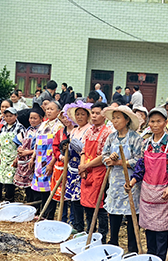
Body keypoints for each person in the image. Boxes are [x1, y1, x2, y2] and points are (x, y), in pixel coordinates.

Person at [126, 107, 168, 261]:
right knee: (149, 230)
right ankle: (151, 259)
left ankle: (161, 260)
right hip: (147, 192)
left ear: (165, 123)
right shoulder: (146, 143)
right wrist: (132, 182)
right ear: (148, 123)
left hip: (165, 192)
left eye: (159, 121)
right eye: (152, 121)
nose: (155, 124)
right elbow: (141, 166)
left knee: (162, 231)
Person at [101, 105, 143, 253]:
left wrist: (119, 162)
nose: (115, 121)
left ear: (127, 120)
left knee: (131, 212)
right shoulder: (111, 137)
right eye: (113, 118)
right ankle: (113, 242)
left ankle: (133, 247)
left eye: (118, 118)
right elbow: (104, 155)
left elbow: (139, 161)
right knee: (113, 211)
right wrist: (109, 159)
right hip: (114, 180)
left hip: (130, 180)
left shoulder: (135, 138)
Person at [79, 102, 112, 241]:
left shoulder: (108, 132)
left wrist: (86, 166)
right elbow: (83, 150)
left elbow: (104, 156)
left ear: (104, 115)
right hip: (87, 172)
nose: (94, 116)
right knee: (87, 205)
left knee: (100, 207)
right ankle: (89, 233)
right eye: (92, 113)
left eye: (97, 113)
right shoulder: (89, 131)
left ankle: (102, 236)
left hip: (100, 173)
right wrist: (82, 167)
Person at [30, 100, 64, 219]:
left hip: (50, 161)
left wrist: (51, 163)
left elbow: (58, 147)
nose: (49, 111)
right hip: (39, 160)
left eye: (52, 109)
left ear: (58, 112)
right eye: (47, 109)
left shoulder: (59, 126)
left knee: (49, 189)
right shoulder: (43, 124)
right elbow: (36, 144)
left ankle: (48, 215)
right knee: (38, 188)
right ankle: (39, 213)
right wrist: (33, 158)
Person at [63, 101, 92, 232]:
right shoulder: (74, 130)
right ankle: (75, 223)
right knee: (72, 199)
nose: (80, 117)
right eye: (78, 114)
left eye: (83, 114)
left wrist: (72, 142)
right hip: (71, 167)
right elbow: (69, 149)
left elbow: (85, 149)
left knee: (81, 198)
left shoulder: (89, 130)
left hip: (82, 166)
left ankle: (82, 227)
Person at [13, 105, 44, 203]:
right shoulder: (28, 130)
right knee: (27, 187)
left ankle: (36, 206)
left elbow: (40, 147)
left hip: (35, 161)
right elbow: (22, 143)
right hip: (24, 161)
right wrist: (20, 152)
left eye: (35, 118)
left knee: (34, 185)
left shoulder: (42, 131)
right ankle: (29, 203)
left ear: (41, 119)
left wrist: (28, 152)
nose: (32, 120)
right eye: (31, 118)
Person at [0, 106, 25, 202]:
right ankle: (6, 199)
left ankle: (10, 199)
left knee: (11, 179)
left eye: (11, 116)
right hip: (4, 156)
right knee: (4, 178)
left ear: (16, 116)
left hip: (13, 156)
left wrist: (18, 157)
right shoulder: (3, 127)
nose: (8, 118)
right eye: (6, 116)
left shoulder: (19, 128)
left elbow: (22, 144)